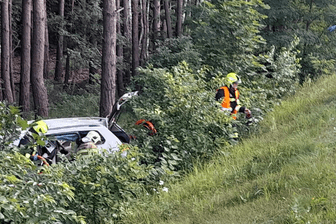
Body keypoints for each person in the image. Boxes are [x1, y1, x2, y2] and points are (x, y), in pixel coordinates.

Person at [215, 72, 253, 141]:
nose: (236, 86)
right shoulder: (222, 91)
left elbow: (235, 106)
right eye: (235, 84)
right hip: (221, 119)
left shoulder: (236, 92)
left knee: (234, 136)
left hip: (231, 119)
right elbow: (215, 105)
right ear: (230, 83)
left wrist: (244, 109)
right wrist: (224, 110)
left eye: (237, 84)